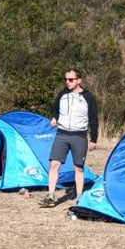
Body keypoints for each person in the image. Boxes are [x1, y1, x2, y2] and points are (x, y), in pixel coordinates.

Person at [39, 67, 100, 208]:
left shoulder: (88, 98)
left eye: (71, 79)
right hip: (62, 134)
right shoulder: (62, 95)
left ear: (79, 80)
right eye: (66, 79)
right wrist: (54, 117)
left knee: (78, 167)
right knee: (54, 164)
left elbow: (93, 119)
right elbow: (55, 109)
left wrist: (94, 139)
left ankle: (79, 198)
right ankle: (51, 196)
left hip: (79, 136)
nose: (68, 82)